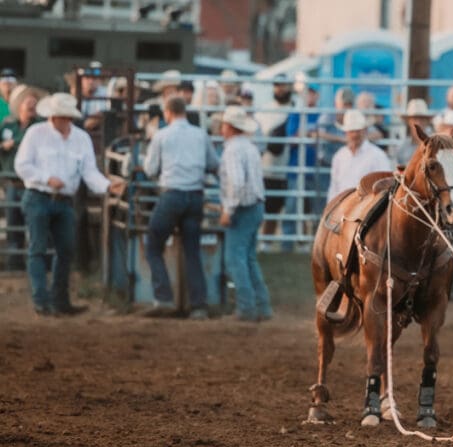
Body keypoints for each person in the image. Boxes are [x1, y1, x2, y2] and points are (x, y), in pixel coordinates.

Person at [13, 93, 125, 315]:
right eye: (63, 117)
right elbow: (22, 165)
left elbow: (89, 171)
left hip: (63, 199)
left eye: (68, 117)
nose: (66, 121)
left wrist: (106, 186)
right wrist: (46, 178)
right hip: (39, 195)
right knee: (38, 249)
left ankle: (58, 301)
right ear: (53, 116)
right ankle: (42, 301)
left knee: (65, 250)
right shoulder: (36, 134)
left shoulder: (81, 138)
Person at [142, 96, 219, 319]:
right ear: (184, 111)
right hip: (195, 196)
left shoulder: (161, 136)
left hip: (171, 195)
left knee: (153, 245)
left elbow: (150, 169)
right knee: (192, 251)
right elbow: (213, 164)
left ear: (167, 112)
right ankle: (198, 305)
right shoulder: (200, 134)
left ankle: (164, 297)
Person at [218, 106, 272, 322]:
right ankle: (262, 305)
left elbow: (237, 183)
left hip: (242, 208)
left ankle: (247, 307)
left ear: (229, 127)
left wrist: (228, 209)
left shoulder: (232, 150)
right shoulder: (249, 147)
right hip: (256, 205)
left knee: (235, 258)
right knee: (248, 258)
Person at [1, 84, 45, 269]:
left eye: (34, 100)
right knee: (13, 221)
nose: (32, 103)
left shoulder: (39, 127)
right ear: (19, 104)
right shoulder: (8, 125)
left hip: (31, 184)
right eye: (28, 99)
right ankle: (14, 262)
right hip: (11, 182)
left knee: (35, 224)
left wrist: (14, 143)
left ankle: (38, 262)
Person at [253, 75, 292, 246]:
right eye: (277, 85)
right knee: (264, 207)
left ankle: (271, 243)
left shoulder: (297, 109)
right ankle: (263, 243)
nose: (280, 89)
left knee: (281, 208)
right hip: (266, 167)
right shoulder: (264, 111)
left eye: (283, 85)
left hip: (288, 167)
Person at [281, 83, 321, 250]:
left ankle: (314, 246)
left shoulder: (321, 115)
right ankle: (287, 246)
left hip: (316, 169)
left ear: (316, 96)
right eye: (306, 93)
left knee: (315, 209)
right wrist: (308, 134)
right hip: (297, 168)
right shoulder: (295, 115)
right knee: (292, 207)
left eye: (312, 93)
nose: (309, 96)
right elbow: (291, 139)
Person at [327, 110, 392, 200]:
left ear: (365, 131)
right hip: (343, 207)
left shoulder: (377, 156)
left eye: (357, 131)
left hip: (367, 208)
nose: (354, 135)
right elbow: (334, 188)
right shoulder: (339, 156)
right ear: (346, 132)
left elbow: (386, 186)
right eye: (351, 131)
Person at [395, 98, 432, 166]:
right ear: (409, 121)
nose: (418, 123)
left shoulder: (434, 146)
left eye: (421, 119)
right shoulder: (402, 148)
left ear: (426, 121)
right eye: (415, 119)